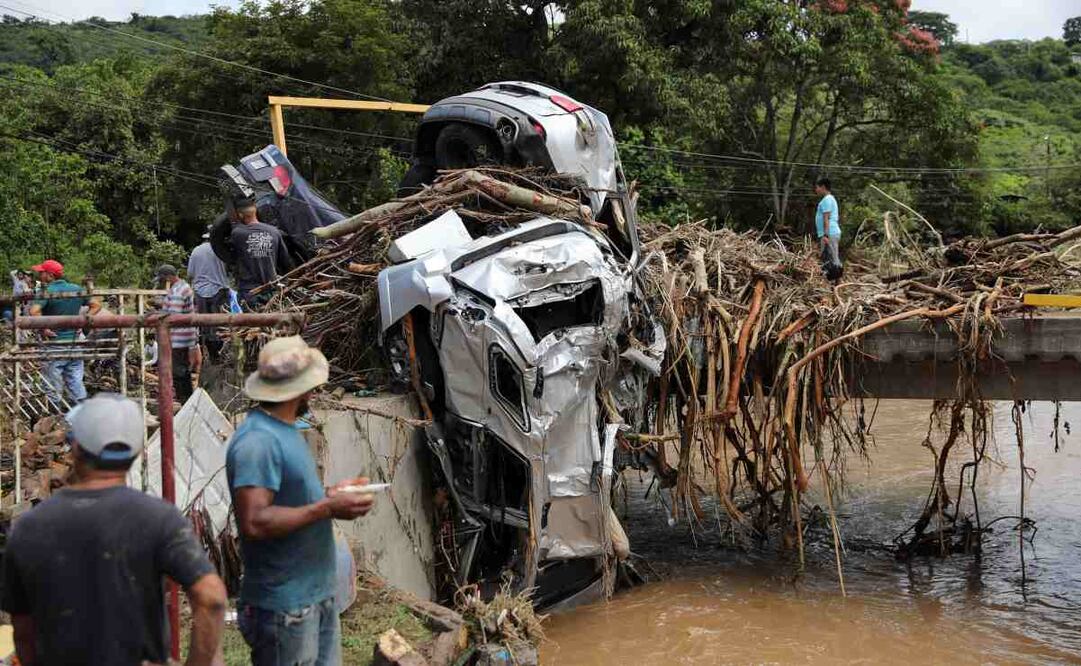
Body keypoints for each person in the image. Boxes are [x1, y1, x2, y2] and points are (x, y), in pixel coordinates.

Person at [1, 393, 227, 665]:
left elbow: (23, 632)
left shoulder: (29, 527)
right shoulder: (159, 519)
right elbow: (211, 597)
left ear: (76, 449)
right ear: (136, 452)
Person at [227, 336, 375, 666]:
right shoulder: (257, 442)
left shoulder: (285, 430)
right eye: (311, 386)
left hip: (315, 597)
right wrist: (326, 507)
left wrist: (331, 496)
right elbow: (254, 520)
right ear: (299, 389)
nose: (315, 392)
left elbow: (293, 503)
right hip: (285, 608)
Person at [28, 259, 100, 409]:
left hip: (54, 344)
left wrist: (44, 327)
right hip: (75, 343)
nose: (39, 275)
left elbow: (33, 311)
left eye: (42, 272)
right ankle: (81, 418)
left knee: (52, 383)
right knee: (75, 381)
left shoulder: (46, 291)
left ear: (50, 275)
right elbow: (96, 305)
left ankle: (53, 417)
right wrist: (83, 321)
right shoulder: (76, 288)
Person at [230, 198, 294, 309]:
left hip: (249, 291)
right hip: (271, 289)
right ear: (255, 211)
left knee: (252, 324)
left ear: (240, 215)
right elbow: (285, 261)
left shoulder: (237, 234)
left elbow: (230, 257)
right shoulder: (274, 232)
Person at [188, 226, 232, 361]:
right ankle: (222, 353)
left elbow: (190, 274)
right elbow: (231, 269)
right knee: (222, 323)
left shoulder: (196, 251)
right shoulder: (221, 249)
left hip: (201, 293)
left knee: (205, 325)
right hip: (219, 290)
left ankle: (212, 356)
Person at [157, 264, 198, 405]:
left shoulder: (180, 291)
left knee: (179, 371)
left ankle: (186, 401)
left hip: (180, 338)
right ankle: (184, 400)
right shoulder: (176, 289)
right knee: (178, 371)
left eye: (162, 278)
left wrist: (159, 313)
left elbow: (172, 314)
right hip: (178, 337)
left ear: (168, 277)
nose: (161, 282)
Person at [814, 177, 843, 282]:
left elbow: (826, 218)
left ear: (823, 187)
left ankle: (835, 282)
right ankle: (832, 281)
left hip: (829, 233)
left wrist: (826, 235)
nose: (816, 190)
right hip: (829, 233)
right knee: (829, 257)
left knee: (832, 258)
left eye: (817, 187)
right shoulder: (829, 199)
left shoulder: (827, 200)